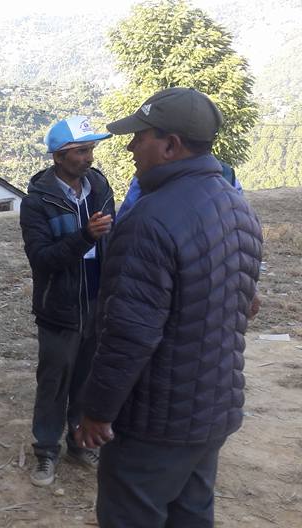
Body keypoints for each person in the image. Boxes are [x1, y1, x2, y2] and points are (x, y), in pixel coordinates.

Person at [75, 88, 264, 528]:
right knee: (191, 515)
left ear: (170, 145)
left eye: (140, 137)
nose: (130, 147)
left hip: (155, 423)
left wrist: (97, 411)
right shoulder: (237, 207)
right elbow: (245, 302)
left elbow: (129, 334)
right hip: (212, 410)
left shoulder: (149, 220)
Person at [19, 116, 116, 487]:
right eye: (80, 151)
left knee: (86, 379)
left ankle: (79, 442)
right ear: (58, 157)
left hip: (96, 302)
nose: (89, 157)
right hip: (59, 308)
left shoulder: (99, 186)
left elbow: (113, 239)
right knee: (54, 382)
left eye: (91, 149)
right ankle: (46, 451)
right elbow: (42, 258)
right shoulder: (38, 202)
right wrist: (85, 237)